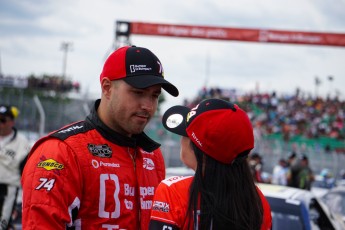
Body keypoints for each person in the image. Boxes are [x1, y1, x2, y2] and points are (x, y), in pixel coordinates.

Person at [21, 45, 179, 229]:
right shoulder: (60, 152)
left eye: (154, 95)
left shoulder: (152, 155)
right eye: (138, 93)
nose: (148, 106)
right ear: (107, 88)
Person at [149, 98, 272, 230]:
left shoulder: (173, 191)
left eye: (186, 134)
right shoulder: (258, 201)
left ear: (196, 147)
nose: (181, 140)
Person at [0, 105, 31, 230]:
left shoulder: (22, 143)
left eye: (3, 120)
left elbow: (25, 171)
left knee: (2, 224)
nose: (0, 124)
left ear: (12, 122)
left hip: (8, 190)